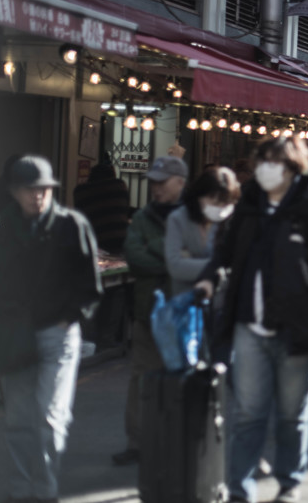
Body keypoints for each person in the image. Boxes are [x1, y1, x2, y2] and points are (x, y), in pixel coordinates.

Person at [194, 137, 308, 503]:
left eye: (275, 161)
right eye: (262, 160)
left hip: (298, 327)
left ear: (293, 167)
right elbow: (224, 254)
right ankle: (238, 489)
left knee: (292, 415)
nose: (266, 168)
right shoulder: (247, 208)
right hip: (249, 324)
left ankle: (289, 484)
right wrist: (209, 278)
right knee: (247, 412)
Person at [0, 156, 102, 503]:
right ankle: (21, 487)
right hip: (14, 333)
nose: (38, 196)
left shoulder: (71, 225)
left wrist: (71, 316)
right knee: (18, 418)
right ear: (15, 192)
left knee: (51, 416)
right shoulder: (2, 229)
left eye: (44, 189)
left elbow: (89, 283)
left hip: (58, 333)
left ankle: (44, 488)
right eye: (30, 190)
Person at [113, 155, 188, 466]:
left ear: (180, 183)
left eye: (162, 182)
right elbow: (134, 256)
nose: (155, 188)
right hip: (147, 310)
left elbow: (200, 256)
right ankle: (138, 441)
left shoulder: (193, 215)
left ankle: (177, 440)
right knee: (142, 376)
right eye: (152, 182)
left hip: (185, 312)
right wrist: (172, 256)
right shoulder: (142, 217)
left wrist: (162, 254)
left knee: (181, 377)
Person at [164, 166, 240, 297]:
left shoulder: (229, 222)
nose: (219, 208)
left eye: (224, 204)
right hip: (185, 300)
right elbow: (176, 266)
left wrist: (191, 262)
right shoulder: (178, 219)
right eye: (213, 201)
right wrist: (217, 266)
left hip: (220, 301)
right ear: (199, 196)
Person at [73, 161, 131, 254]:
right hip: (120, 241)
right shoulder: (120, 185)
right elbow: (125, 210)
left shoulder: (80, 192)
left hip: (93, 244)